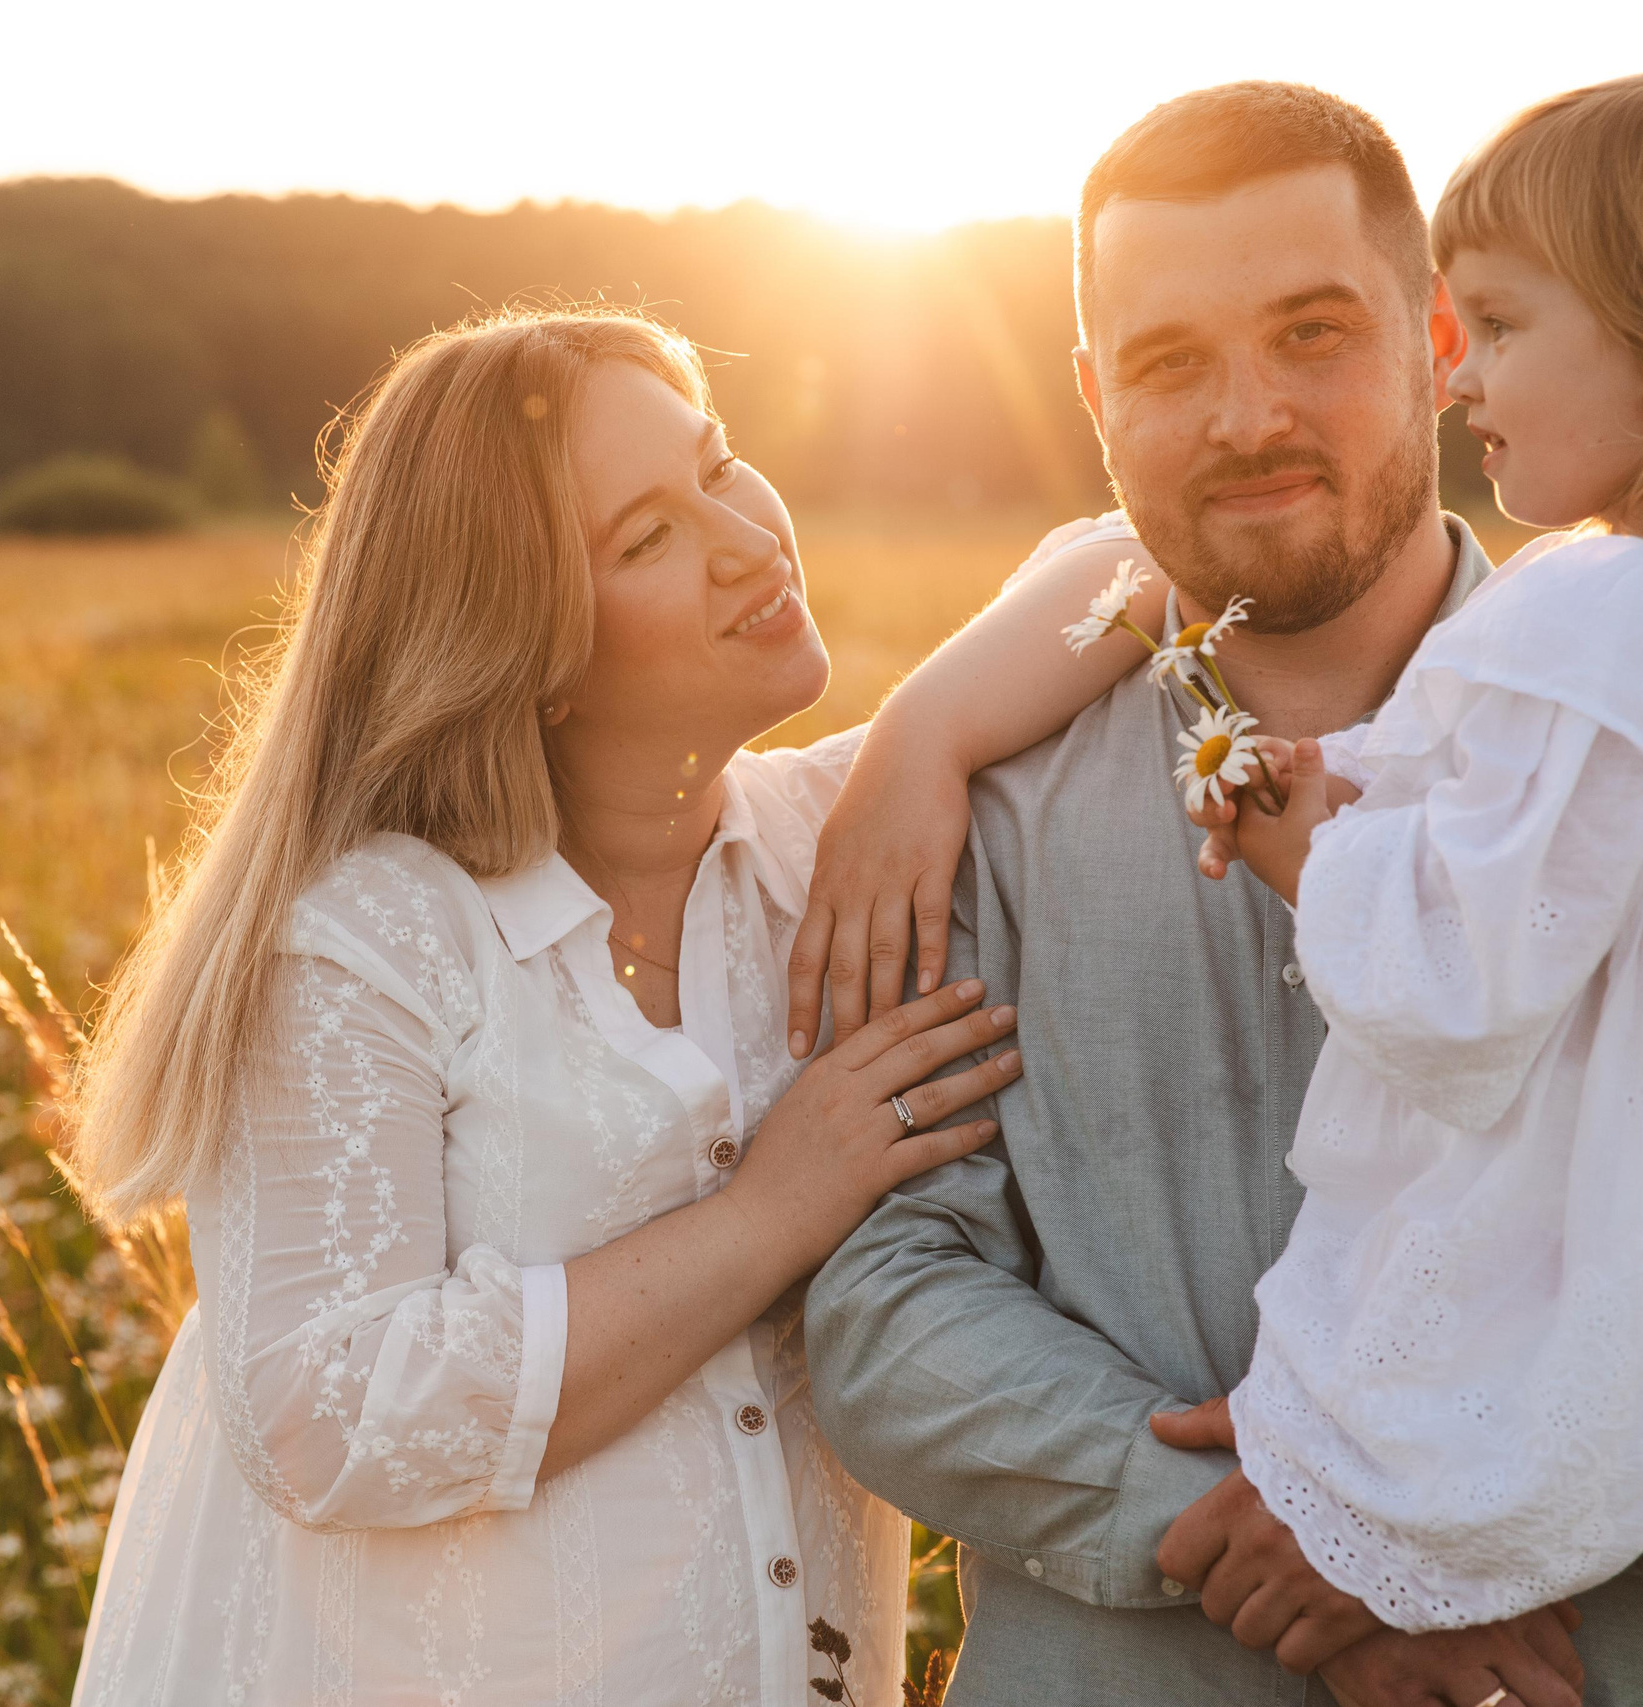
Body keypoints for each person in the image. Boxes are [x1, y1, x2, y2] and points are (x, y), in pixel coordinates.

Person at [795, 81, 1643, 1705]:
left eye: (1313, 334)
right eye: (1169, 362)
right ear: (1091, 392)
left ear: (1439, 338)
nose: (1247, 416)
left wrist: (1448, 1519)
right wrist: (1250, 1526)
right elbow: (882, 1304)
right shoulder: (957, 830)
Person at [58, 304, 1151, 1705]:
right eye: (646, 537)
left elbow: (1130, 558)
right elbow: (318, 1414)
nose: (748, 538)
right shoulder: (372, 936)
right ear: (524, 647)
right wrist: (767, 1214)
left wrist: (923, 736)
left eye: (717, 463)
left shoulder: (836, 842)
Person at [1165, 69, 1643, 1705]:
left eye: (1505, 328)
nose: (1463, 383)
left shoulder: (1597, 616)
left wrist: (1313, 848)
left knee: (1391, 1410)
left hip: (1635, 1187)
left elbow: (1467, 979)